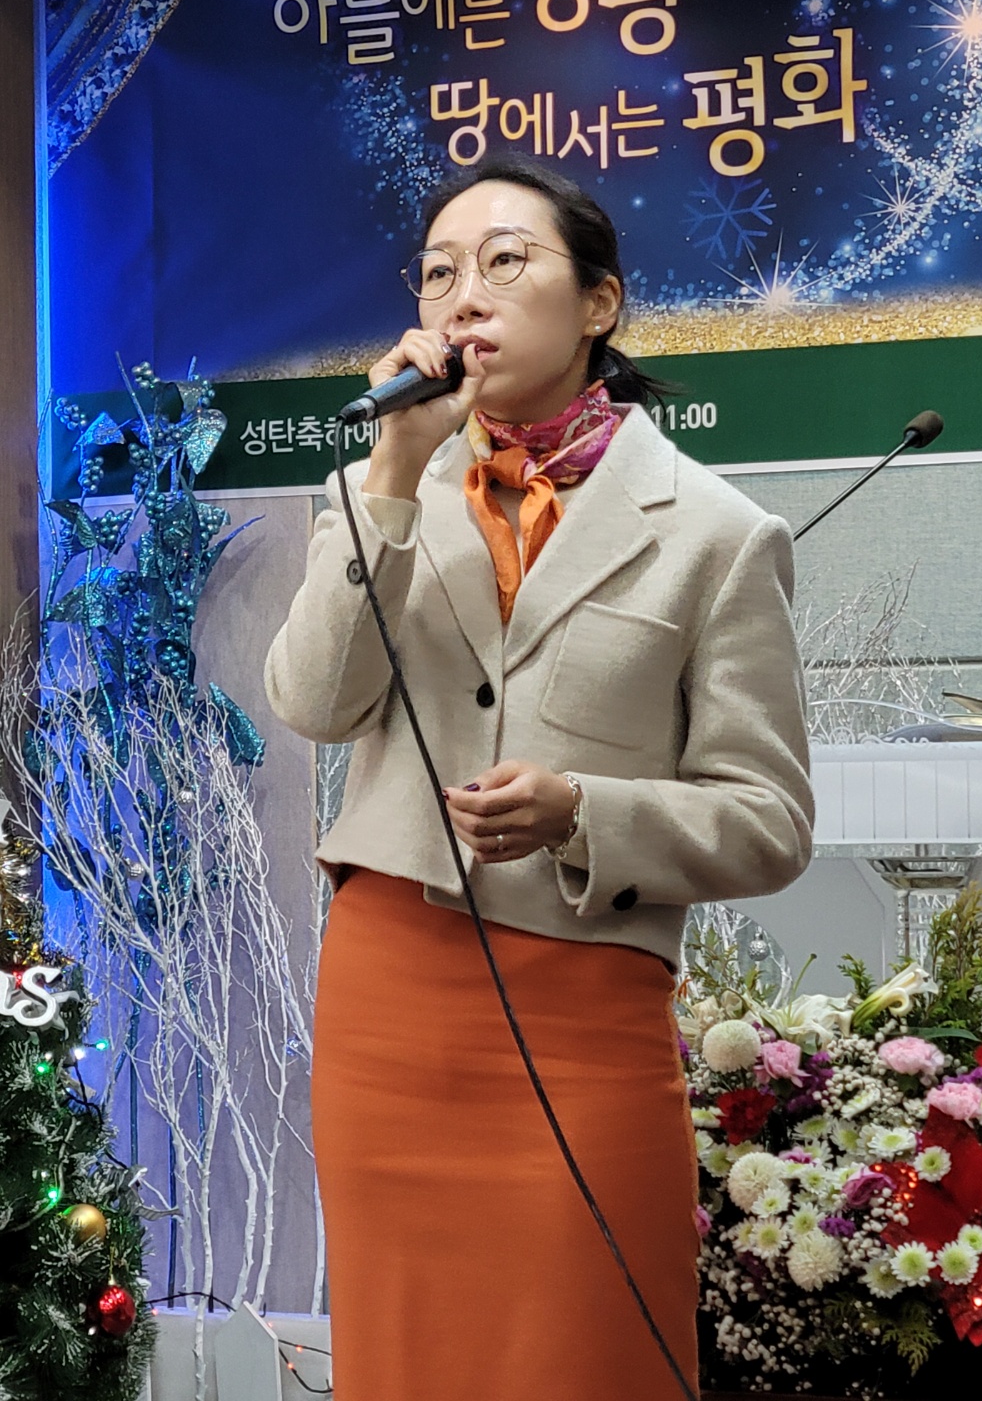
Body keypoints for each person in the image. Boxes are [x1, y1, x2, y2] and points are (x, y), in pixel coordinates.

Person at [264, 156, 813, 1401]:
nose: (465, 296)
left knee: (588, 1350)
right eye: (438, 274)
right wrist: (393, 479)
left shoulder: (718, 534)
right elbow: (314, 702)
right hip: (390, 999)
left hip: (585, 1009)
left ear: (600, 303)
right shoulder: (375, 491)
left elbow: (769, 820)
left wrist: (583, 812)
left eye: (506, 262)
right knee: (407, 1352)